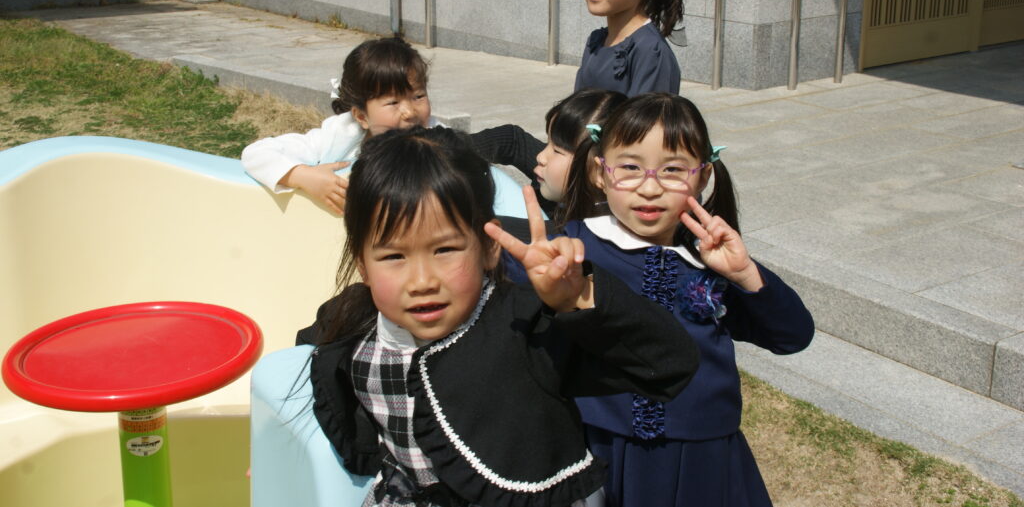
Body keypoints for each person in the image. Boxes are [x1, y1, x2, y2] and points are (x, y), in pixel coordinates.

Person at [296, 126, 700, 507]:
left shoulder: (526, 327)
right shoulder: (352, 324)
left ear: (489, 247)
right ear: (363, 264)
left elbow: (669, 363)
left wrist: (578, 298)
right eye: (393, 256)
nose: (421, 281)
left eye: (445, 250)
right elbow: (315, 353)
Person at [556, 93, 815, 507]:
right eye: (630, 167)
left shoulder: (712, 261)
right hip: (599, 443)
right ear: (599, 172)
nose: (650, 187)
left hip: (702, 455)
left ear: (703, 176)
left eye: (673, 170)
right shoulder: (574, 247)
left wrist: (745, 274)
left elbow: (792, 336)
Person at [241, 36, 435, 214]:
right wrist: (304, 177)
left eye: (418, 96)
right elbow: (256, 154)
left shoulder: (438, 140)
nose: (410, 112)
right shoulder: (339, 137)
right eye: (393, 102)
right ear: (362, 117)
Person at [474, 88, 627, 220]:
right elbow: (512, 140)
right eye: (548, 143)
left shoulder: (584, 237)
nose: (540, 157)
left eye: (557, 150)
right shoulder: (555, 176)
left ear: (599, 171)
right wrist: (461, 151)